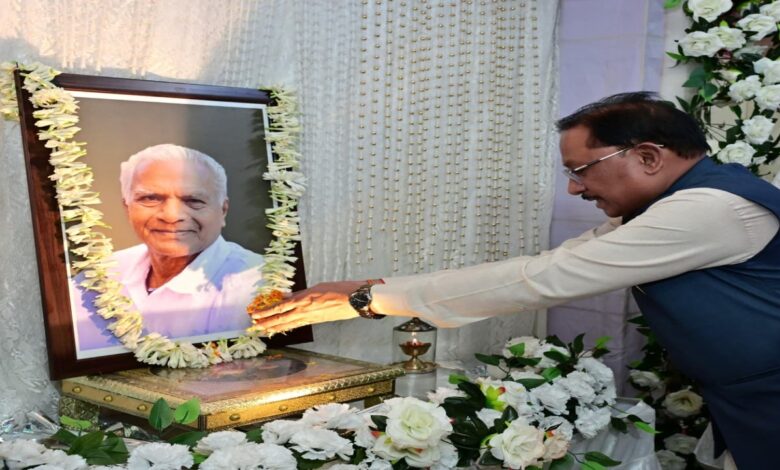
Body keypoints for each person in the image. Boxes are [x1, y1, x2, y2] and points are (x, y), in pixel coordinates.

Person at [252, 92, 780, 469]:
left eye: (582, 170)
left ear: (646, 156)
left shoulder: (709, 210)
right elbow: (559, 258)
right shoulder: (676, 205)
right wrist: (375, 283)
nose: (575, 189)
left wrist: (367, 300)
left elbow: (546, 278)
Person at [72, 144, 264, 351]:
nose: (172, 216)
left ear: (223, 211)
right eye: (150, 198)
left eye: (193, 200)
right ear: (127, 207)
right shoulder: (97, 276)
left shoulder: (258, 282)